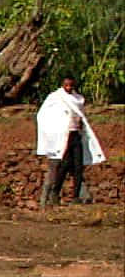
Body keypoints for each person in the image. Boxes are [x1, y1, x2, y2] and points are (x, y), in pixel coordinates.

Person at [37, 76, 106, 205]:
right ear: (62, 85)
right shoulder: (55, 98)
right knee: (62, 166)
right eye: (66, 85)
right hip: (61, 138)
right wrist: (55, 132)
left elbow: (81, 116)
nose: (68, 88)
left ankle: (76, 197)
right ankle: (53, 195)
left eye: (71, 85)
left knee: (78, 168)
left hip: (76, 136)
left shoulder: (77, 99)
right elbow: (43, 115)